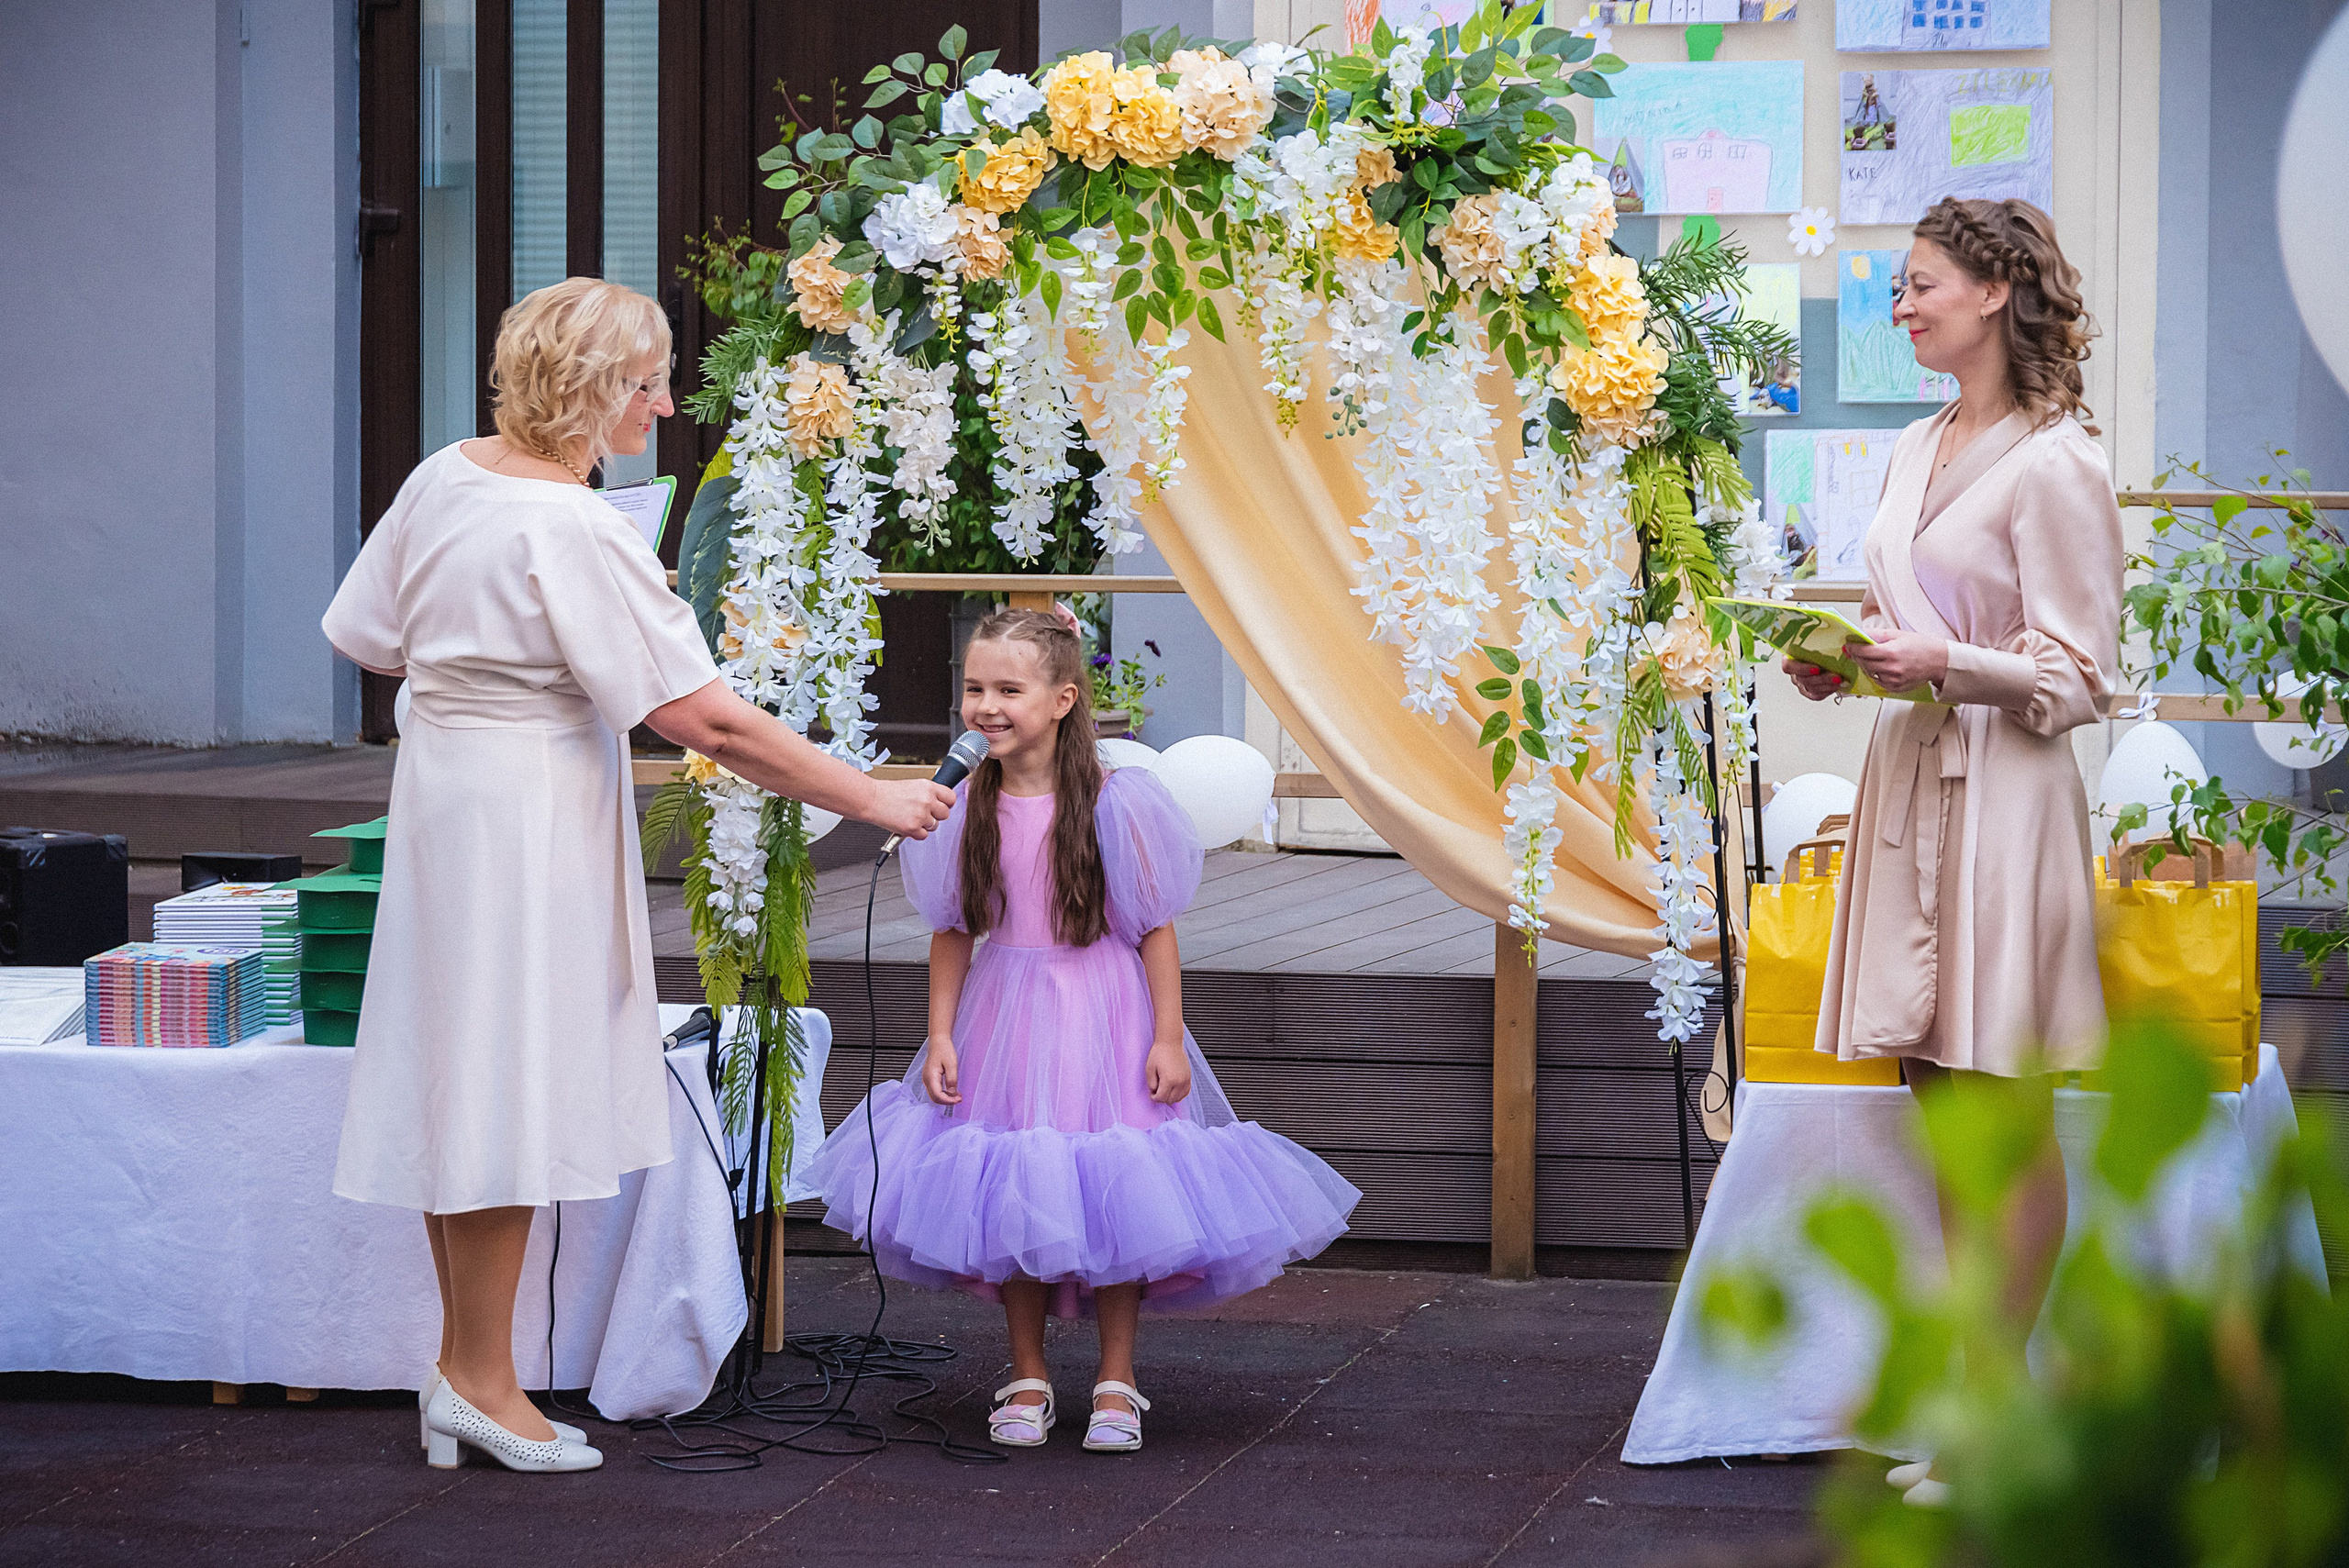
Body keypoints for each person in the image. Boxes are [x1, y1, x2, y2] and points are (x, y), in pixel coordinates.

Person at [320, 277, 953, 1474]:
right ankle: (484, 1382)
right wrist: (873, 796)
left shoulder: (444, 475)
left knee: (462, 1073)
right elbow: (709, 722)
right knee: (501, 1087)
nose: (664, 405)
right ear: (595, 390)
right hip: (528, 816)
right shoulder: (578, 526)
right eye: (647, 382)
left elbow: (368, 635)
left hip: (445, 797)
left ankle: (463, 1371)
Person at [804, 607, 1361, 1453]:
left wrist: (1167, 1036)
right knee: (1017, 1184)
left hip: (1105, 1009)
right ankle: (1026, 1372)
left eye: (1008, 689)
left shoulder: (1115, 800)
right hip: (1006, 1010)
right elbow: (953, 928)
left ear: (1063, 698)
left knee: (1117, 1182)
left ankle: (1116, 1376)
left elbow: (1155, 928)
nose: (986, 706)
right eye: (974, 688)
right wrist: (942, 1033)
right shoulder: (960, 805)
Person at [1780, 198, 2121, 1506]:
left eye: (1920, 285)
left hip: (2009, 794)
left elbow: (2082, 673)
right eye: (1899, 289)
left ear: (1992, 293)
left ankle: (1997, 1409)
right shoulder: (1917, 444)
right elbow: (1910, 619)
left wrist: (1944, 661)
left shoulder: (2060, 461)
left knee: (2006, 1112)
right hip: (1914, 774)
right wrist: (1849, 661)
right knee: (1940, 1096)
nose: (1903, 307)